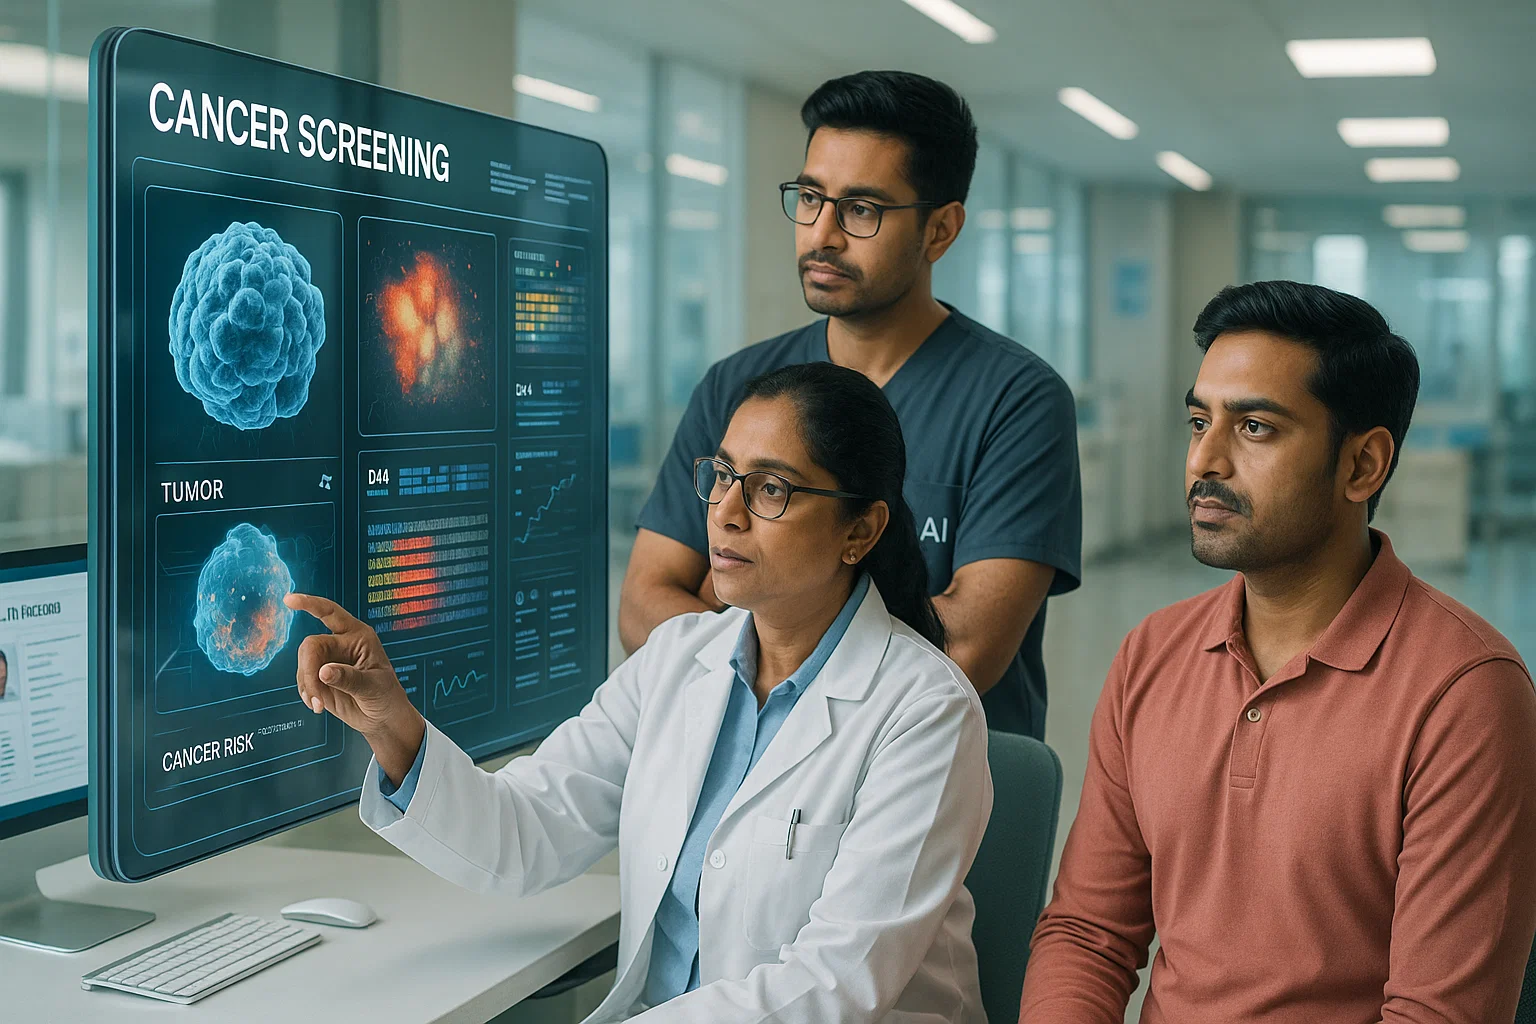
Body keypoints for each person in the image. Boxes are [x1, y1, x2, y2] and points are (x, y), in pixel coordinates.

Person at [290, 363, 991, 1023]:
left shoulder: (925, 712)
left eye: (771, 488)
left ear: (861, 530)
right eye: (722, 476)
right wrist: (392, 723)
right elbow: (525, 832)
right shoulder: (680, 660)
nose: (726, 512)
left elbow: (835, 985)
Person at [1018, 281, 1536, 1023]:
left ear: (1363, 466)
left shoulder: (1466, 693)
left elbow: (1436, 1012)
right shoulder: (1153, 653)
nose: (1206, 461)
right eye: (1199, 421)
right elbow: (1088, 934)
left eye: (1255, 428)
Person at [620, 70, 1081, 739]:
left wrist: (736, 616)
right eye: (811, 198)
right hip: (746, 785)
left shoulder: (1016, 400)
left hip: (939, 798)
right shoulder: (738, 385)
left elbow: (967, 648)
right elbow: (641, 607)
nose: (822, 235)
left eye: (862, 209)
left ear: (940, 229)